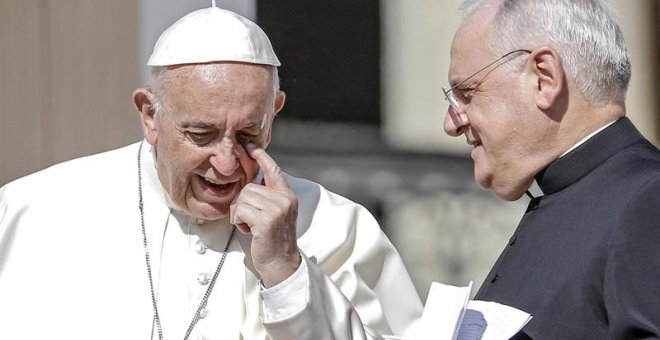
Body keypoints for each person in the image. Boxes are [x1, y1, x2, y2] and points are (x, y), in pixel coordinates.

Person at [0, 5, 423, 340]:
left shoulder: (337, 227)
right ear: (150, 115)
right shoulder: (33, 212)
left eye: (247, 134)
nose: (226, 163)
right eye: (200, 134)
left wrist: (286, 270)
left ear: (273, 115)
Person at [442, 0, 660, 338]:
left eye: (467, 93)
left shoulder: (648, 200)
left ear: (544, 78)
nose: (451, 124)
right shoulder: (572, 195)